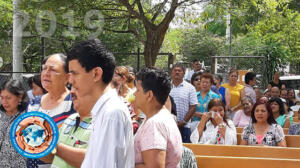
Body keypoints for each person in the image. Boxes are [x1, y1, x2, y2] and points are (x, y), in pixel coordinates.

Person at [67, 38, 134, 168]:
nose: (71, 81)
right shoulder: (103, 111)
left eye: (75, 74)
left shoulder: (111, 114)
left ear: (96, 74)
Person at [27, 53, 76, 168]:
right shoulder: (34, 103)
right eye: (44, 68)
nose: (46, 73)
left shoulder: (74, 104)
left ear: (67, 77)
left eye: (53, 70)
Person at [134, 68, 182, 168]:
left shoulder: (155, 124)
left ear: (149, 95)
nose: (134, 94)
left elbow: (154, 166)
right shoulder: (161, 117)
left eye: (138, 90)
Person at [50, 86, 92, 168]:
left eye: (77, 87)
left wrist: (51, 145)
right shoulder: (70, 119)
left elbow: (91, 161)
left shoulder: (102, 124)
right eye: (72, 87)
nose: (71, 92)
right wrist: (38, 146)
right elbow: (51, 158)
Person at [0, 79, 28, 167]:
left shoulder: (27, 118)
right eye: (2, 97)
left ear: (20, 97)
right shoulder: (1, 115)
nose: (4, 101)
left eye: (8, 98)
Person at [170, 63, 198, 143]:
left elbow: (193, 107)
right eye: (175, 70)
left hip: (185, 126)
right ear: (171, 73)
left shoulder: (190, 88)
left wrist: (183, 122)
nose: (177, 72)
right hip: (168, 126)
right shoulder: (166, 86)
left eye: (180, 71)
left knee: (185, 151)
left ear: (184, 73)